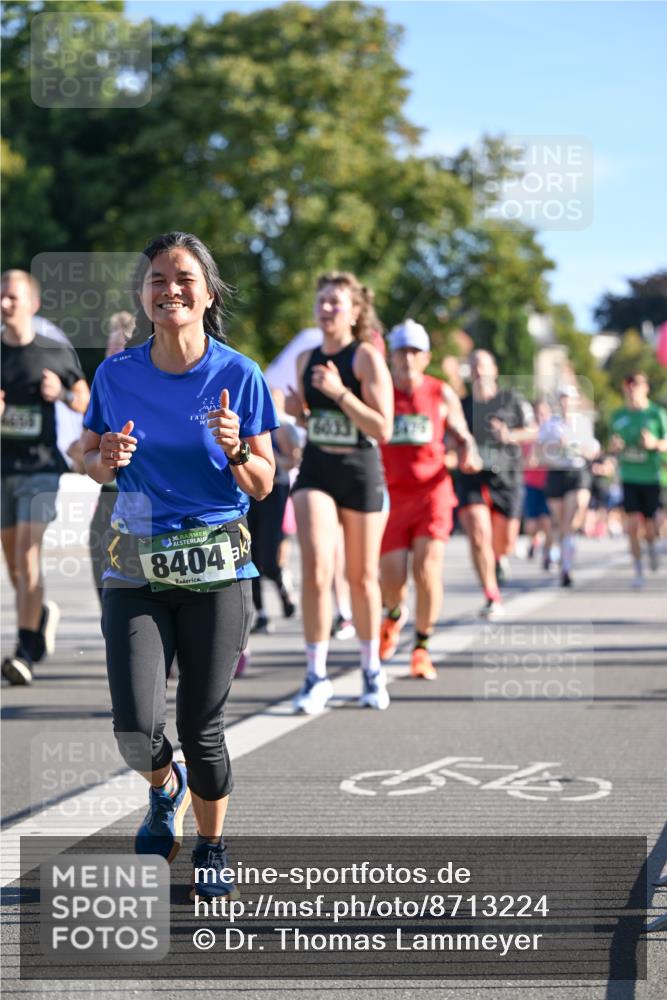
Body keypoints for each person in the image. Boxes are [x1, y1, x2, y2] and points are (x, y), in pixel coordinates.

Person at [81, 232, 277, 898]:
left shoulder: (238, 375)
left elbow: (264, 483)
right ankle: (164, 792)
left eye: (184, 278)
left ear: (208, 291)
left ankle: (212, 843)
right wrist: (103, 457)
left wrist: (236, 451)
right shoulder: (117, 374)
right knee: (136, 729)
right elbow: (86, 454)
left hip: (216, 566)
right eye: (157, 279)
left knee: (201, 728)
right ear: (143, 295)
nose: (170, 289)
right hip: (134, 559)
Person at [287, 271, 393, 714]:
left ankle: (371, 669)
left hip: (360, 470)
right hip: (317, 467)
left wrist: (339, 393)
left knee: (362, 576)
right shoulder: (305, 358)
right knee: (315, 568)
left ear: (354, 311)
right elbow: (315, 421)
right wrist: (300, 413)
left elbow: (382, 427)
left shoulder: (365, 357)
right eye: (322, 299)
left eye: (336, 301)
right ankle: (316, 675)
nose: (327, 307)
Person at [1, 269, 90, 685]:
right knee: (15, 565)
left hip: (40, 468)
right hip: (4, 467)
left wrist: (63, 394)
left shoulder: (54, 351)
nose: (4, 304)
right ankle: (40, 617)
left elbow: (84, 400)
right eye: (1, 297)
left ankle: (24, 651)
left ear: (32, 304)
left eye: (12, 297)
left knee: (28, 552)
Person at [379, 320, 481, 680]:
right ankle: (393, 615)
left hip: (432, 493)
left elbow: (461, 432)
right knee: (391, 580)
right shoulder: (380, 391)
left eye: (414, 352)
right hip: (390, 495)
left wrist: (468, 448)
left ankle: (421, 647)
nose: (407, 358)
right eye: (401, 351)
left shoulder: (440, 392)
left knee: (426, 568)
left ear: (426, 357)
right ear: (390, 357)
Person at [456, 350, 535, 618]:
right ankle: (491, 595)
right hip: (473, 478)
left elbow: (533, 429)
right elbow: (449, 437)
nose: (478, 371)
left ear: (494, 370)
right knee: (479, 536)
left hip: (508, 478)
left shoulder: (512, 400)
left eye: (483, 366)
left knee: (504, 542)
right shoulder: (462, 405)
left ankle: (500, 558)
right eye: (473, 366)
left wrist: (509, 434)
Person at [247, 387, 300, 633]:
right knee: (250, 555)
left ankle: (282, 587)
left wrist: (273, 460)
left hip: (275, 490)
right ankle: (262, 613)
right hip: (250, 494)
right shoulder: (248, 422)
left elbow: (294, 460)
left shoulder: (284, 428)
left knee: (268, 556)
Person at [609, 372, 667, 588]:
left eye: (636, 386)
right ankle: (638, 569)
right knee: (632, 525)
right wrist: (614, 448)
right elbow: (612, 447)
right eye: (628, 387)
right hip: (629, 476)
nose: (632, 391)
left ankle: (651, 546)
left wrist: (654, 444)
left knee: (651, 527)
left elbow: (665, 443)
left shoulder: (656, 414)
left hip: (651, 477)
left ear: (646, 389)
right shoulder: (618, 415)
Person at [538, 385, 599, 587]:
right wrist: (554, 449)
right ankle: (564, 562)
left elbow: (592, 452)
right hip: (557, 473)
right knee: (561, 522)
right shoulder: (549, 425)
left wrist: (572, 446)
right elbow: (538, 454)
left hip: (577, 472)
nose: (565, 403)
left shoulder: (583, 423)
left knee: (576, 511)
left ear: (575, 401)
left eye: (569, 398)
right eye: (562, 398)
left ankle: (565, 562)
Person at [522, 398, 553, 570]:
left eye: (544, 413)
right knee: (532, 525)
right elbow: (523, 460)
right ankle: (534, 540)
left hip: (549, 484)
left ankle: (548, 556)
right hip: (531, 483)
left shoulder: (554, 433)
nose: (541, 417)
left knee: (547, 523)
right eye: (538, 413)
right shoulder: (528, 434)